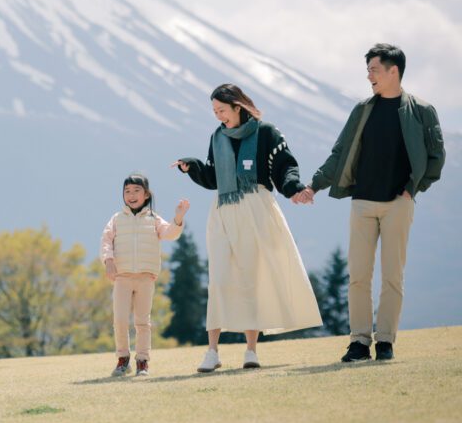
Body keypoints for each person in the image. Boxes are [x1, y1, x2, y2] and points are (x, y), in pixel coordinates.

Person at [298, 44, 445, 362]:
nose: (369, 76)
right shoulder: (362, 110)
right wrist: (314, 185)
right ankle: (359, 343)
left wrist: (412, 189)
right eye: (367, 71)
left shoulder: (421, 111)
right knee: (358, 277)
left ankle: (386, 342)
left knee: (392, 277)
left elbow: (436, 158)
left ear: (394, 71)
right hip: (362, 202)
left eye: (374, 70)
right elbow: (340, 153)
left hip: (398, 203)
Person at [172, 84, 322, 372]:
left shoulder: (266, 133)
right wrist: (193, 166)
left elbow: (285, 166)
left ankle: (251, 350)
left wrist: (294, 188)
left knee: (251, 278)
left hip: (256, 210)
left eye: (222, 110)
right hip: (223, 211)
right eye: (214, 111)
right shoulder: (217, 137)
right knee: (218, 279)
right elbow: (213, 177)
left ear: (237, 107)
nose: (218, 116)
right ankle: (212, 352)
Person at [100, 173, 189, 377]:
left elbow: (170, 233)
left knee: (142, 322)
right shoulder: (116, 219)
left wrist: (178, 218)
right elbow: (106, 241)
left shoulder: (153, 219)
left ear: (146, 195)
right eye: (127, 191)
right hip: (122, 277)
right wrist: (109, 261)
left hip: (146, 278)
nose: (131, 195)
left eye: (136, 191)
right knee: (120, 320)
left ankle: (142, 361)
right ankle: (123, 359)